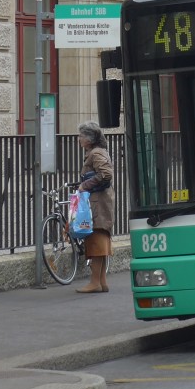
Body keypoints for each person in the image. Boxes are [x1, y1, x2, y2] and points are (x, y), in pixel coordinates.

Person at [75, 120, 114, 293]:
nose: (78, 139)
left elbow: (106, 174)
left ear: (90, 139)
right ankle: (102, 281)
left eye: (81, 136)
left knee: (96, 240)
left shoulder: (95, 154)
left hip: (98, 203)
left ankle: (94, 282)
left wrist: (85, 185)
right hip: (103, 201)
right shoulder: (99, 152)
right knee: (102, 240)